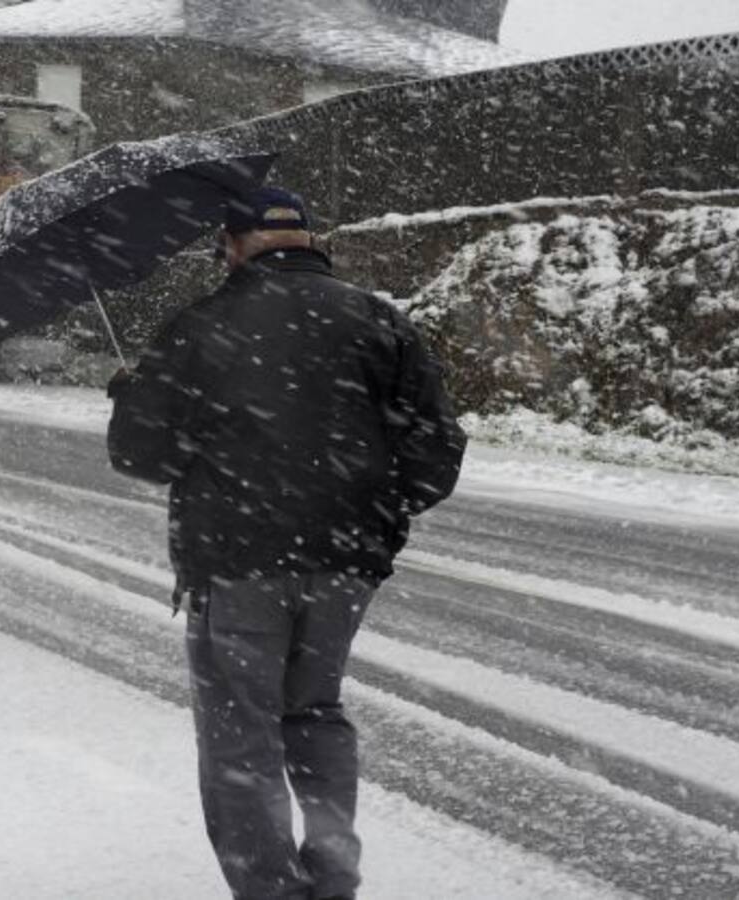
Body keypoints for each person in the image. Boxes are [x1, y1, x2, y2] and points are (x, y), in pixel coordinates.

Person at [107, 186, 465, 900]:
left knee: (242, 735)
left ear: (233, 245)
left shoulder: (203, 325)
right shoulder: (378, 320)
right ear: (308, 237)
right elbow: (436, 451)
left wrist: (135, 397)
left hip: (235, 562)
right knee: (316, 713)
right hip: (344, 564)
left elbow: (142, 457)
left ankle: (271, 890)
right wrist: (378, 517)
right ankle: (333, 878)